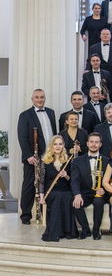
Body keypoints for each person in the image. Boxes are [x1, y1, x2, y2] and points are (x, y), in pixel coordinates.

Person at [17, 89, 57, 224]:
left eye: (42, 97)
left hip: (50, 156)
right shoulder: (25, 115)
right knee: (29, 185)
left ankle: (45, 213)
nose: (39, 100)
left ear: (45, 98)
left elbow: (54, 133)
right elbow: (22, 137)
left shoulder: (51, 112)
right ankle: (26, 215)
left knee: (47, 184)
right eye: (37, 97)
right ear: (32, 99)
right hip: (33, 157)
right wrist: (28, 155)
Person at [71, 132, 109, 239]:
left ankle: (96, 230)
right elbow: (74, 180)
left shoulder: (107, 161)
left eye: (96, 142)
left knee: (98, 201)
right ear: (87, 143)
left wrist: (104, 189)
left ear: (100, 144)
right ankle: (85, 229)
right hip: (85, 192)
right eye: (91, 142)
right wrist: (77, 194)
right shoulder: (77, 161)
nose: (94, 144)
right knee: (74, 202)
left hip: (101, 192)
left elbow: (110, 179)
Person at [39, 135, 77, 242]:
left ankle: (66, 231)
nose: (58, 146)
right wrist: (41, 197)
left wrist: (66, 175)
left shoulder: (68, 160)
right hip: (51, 191)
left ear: (63, 146)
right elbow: (41, 181)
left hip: (65, 190)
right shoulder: (45, 161)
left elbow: (72, 180)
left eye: (60, 144)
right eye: (55, 144)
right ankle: (54, 232)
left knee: (67, 196)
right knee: (57, 196)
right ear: (51, 146)